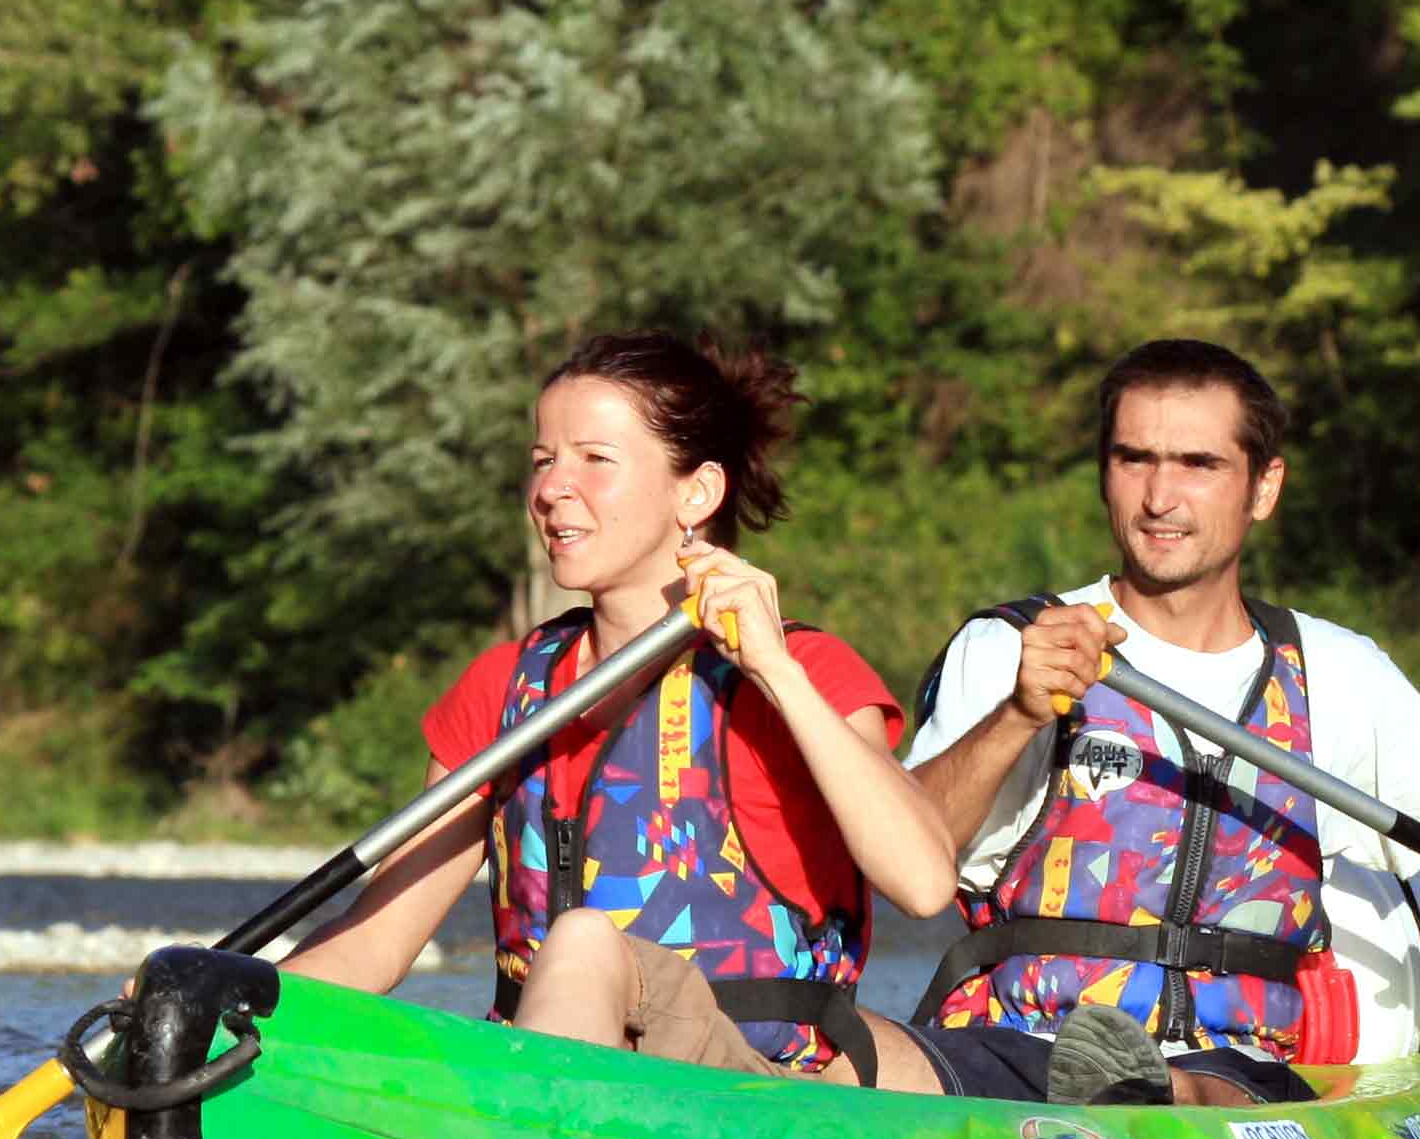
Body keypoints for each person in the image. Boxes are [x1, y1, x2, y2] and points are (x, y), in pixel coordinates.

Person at [866, 338, 1420, 1105]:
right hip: (1014, 1042)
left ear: (1264, 489)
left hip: (1238, 1069)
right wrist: (1018, 715)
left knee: (1195, 1085)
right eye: (1135, 459)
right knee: (853, 1050)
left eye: (1199, 465)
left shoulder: (1340, 671)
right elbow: (911, 875)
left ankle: (1141, 1091)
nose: (1160, 498)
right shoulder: (1014, 647)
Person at [276, 330, 954, 1083]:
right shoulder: (505, 688)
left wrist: (776, 673)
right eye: (543, 461)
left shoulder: (804, 672)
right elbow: (375, 943)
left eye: (595, 461)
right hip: (554, 1074)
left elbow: (924, 885)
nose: (551, 488)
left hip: (754, 1088)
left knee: (585, 942)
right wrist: (219, 1003)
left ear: (696, 492)